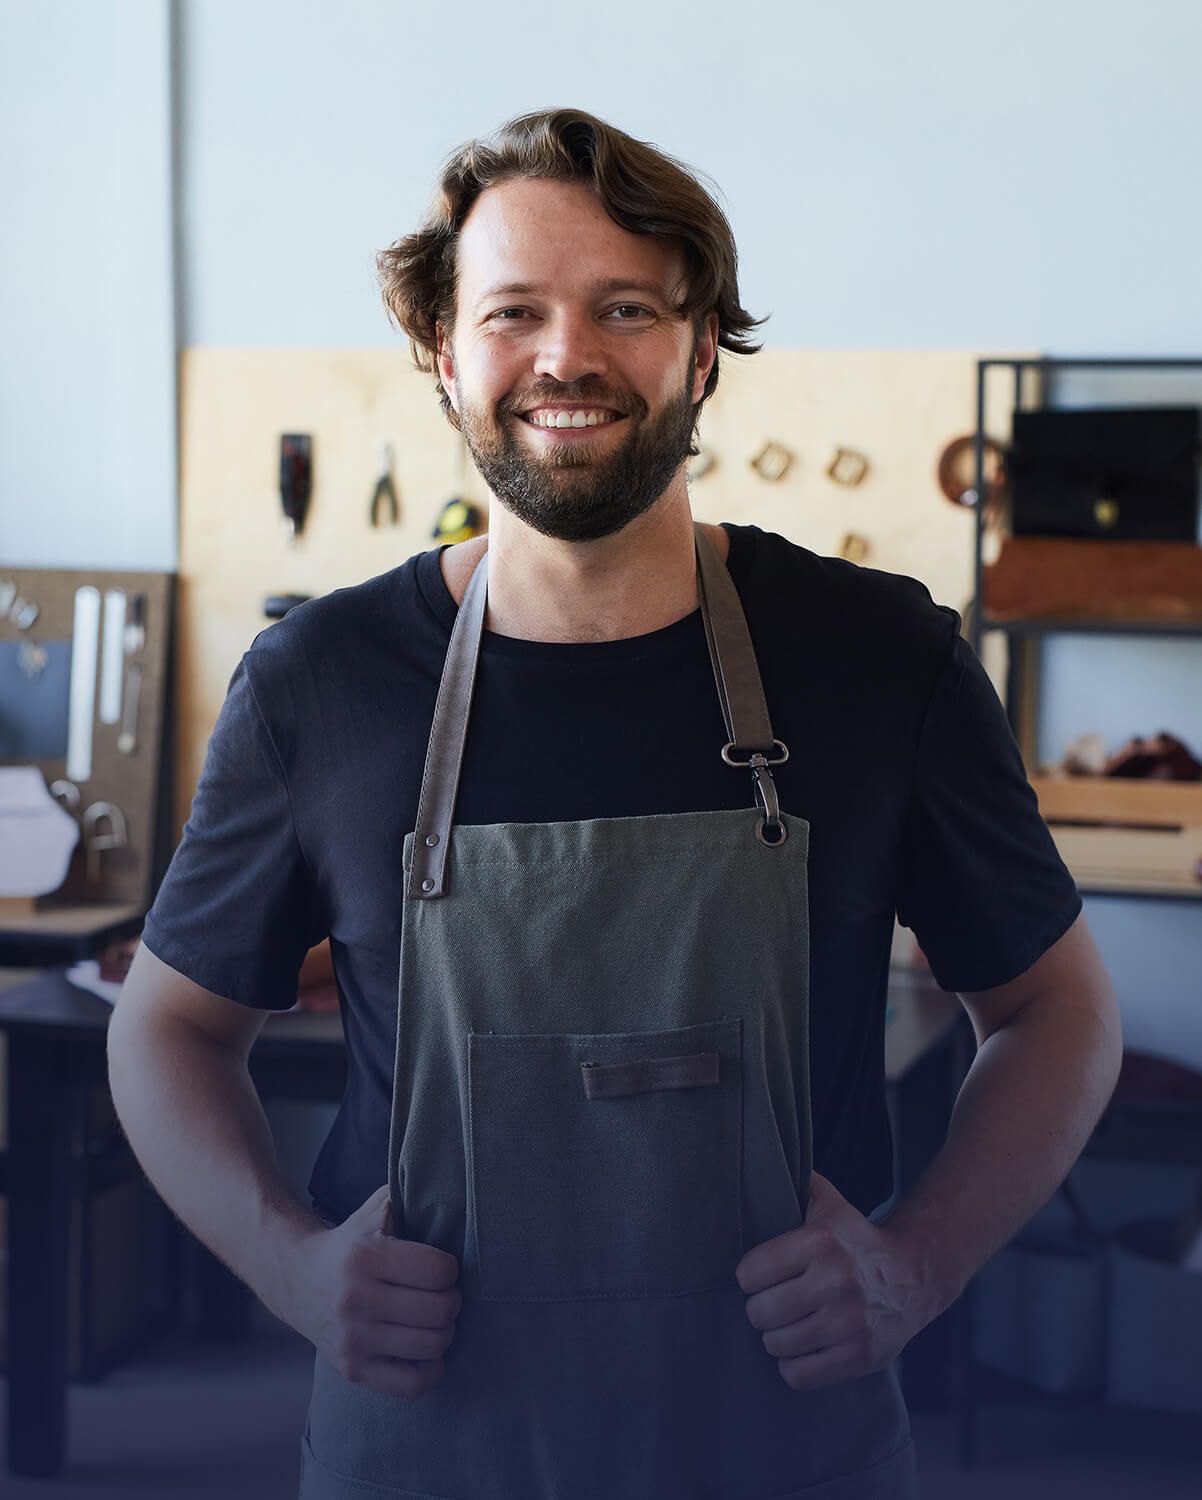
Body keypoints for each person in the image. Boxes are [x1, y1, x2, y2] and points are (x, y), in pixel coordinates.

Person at [109, 107, 1123, 1499]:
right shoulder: (320, 685)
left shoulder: (879, 658)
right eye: (511, 310)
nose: (565, 356)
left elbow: (1058, 1010)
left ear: (702, 348)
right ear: (444, 356)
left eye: (624, 307)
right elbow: (166, 1027)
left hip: (784, 1444)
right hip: (427, 1442)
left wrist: (915, 1267)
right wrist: (290, 1267)